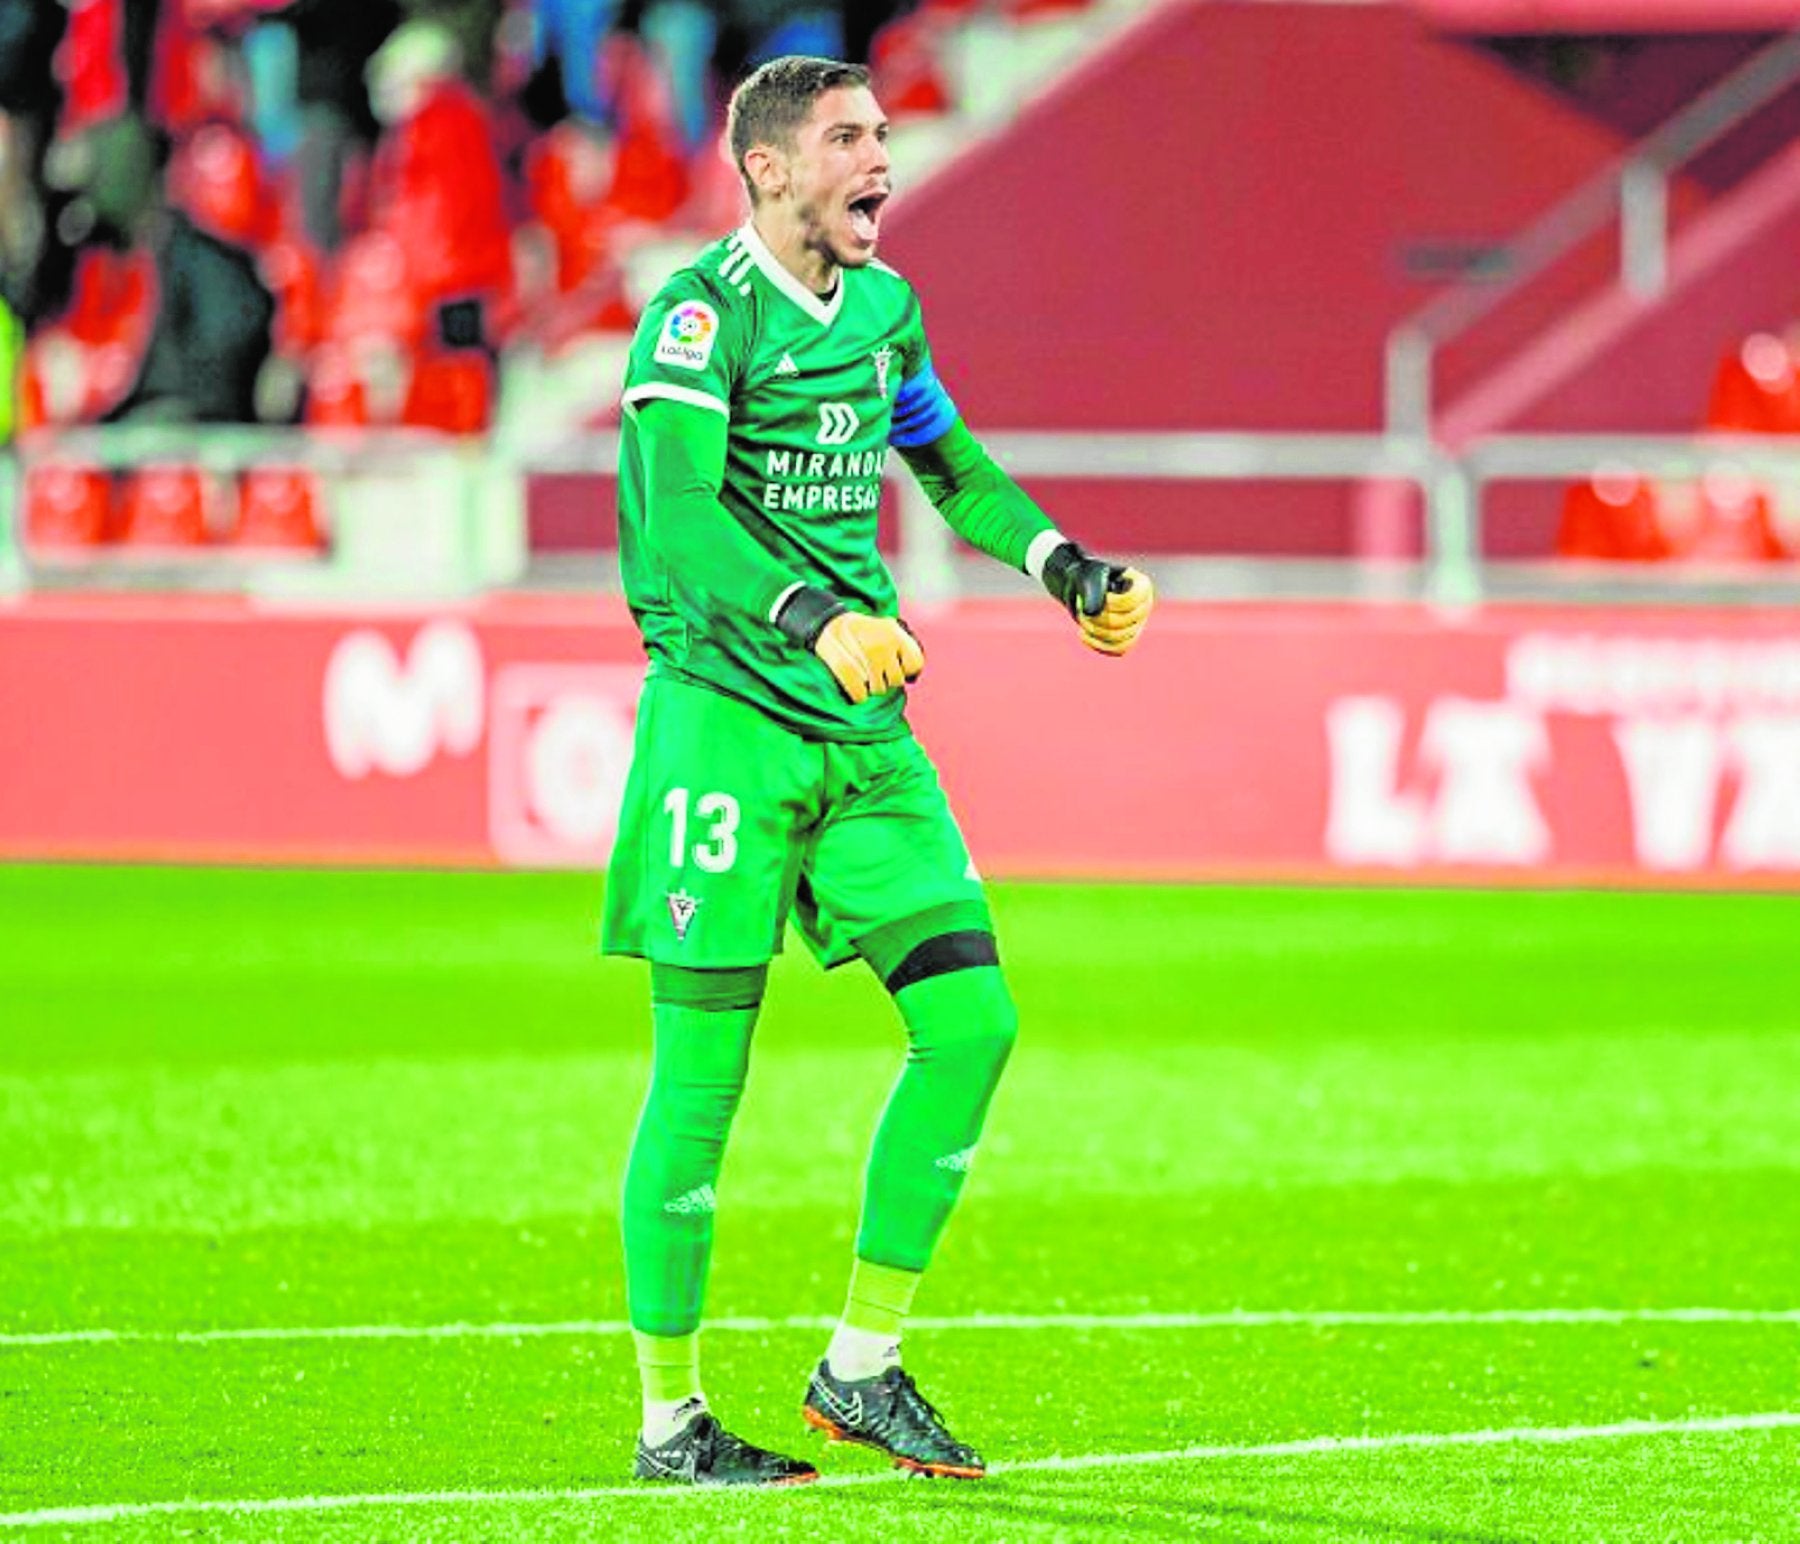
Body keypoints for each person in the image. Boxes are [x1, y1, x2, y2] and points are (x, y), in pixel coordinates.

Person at [601, 54, 1153, 1487]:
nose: (881, 163)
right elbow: (674, 521)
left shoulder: (885, 315)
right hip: (726, 721)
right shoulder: (697, 317)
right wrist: (813, 613)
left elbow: (951, 467)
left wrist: (1061, 564)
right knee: (702, 1083)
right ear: (770, 167)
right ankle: (672, 1421)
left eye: (886, 137)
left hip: (866, 730)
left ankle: (861, 1366)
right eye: (848, 139)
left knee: (972, 1027)